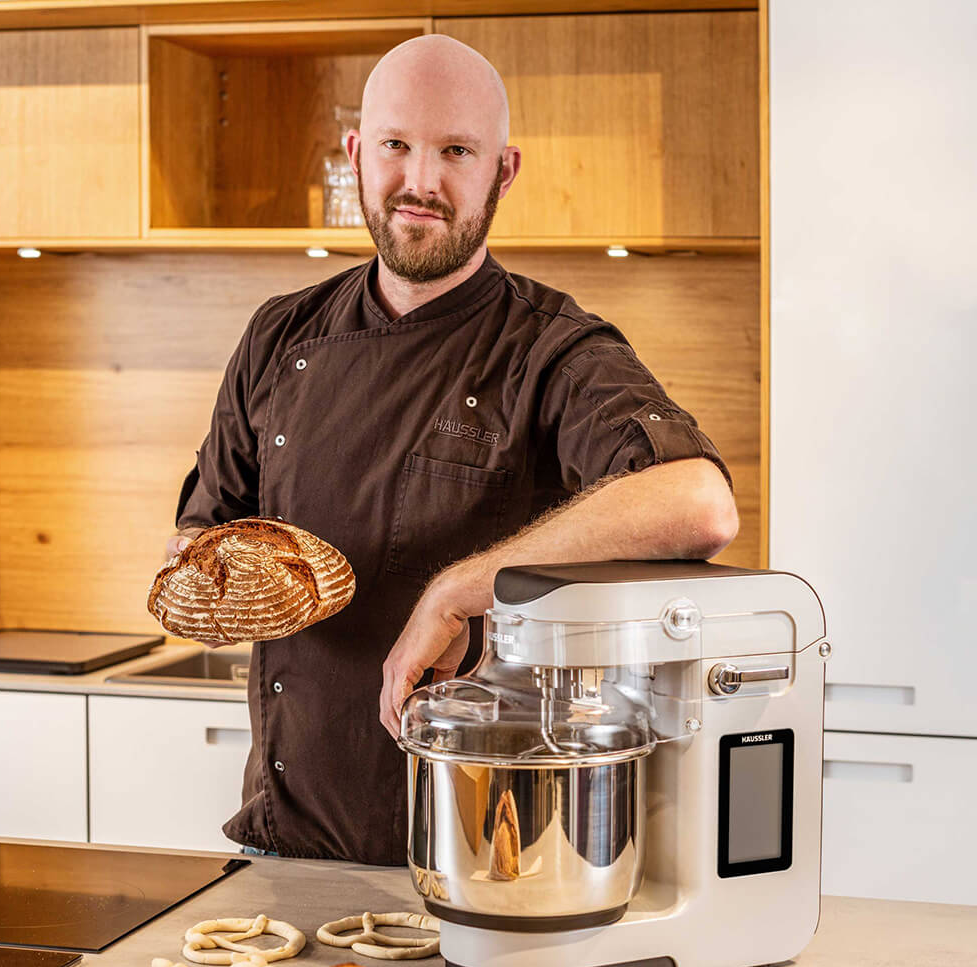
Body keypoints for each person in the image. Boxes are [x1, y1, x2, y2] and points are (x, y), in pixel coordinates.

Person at [166, 35, 738, 864]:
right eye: (396, 145)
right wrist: (216, 582)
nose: (420, 182)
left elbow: (697, 501)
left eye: (455, 152)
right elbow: (199, 539)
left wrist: (460, 591)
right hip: (283, 846)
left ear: (502, 172)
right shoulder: (279, 334)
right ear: (358, 156)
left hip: (484, 856)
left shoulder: (551, 350)